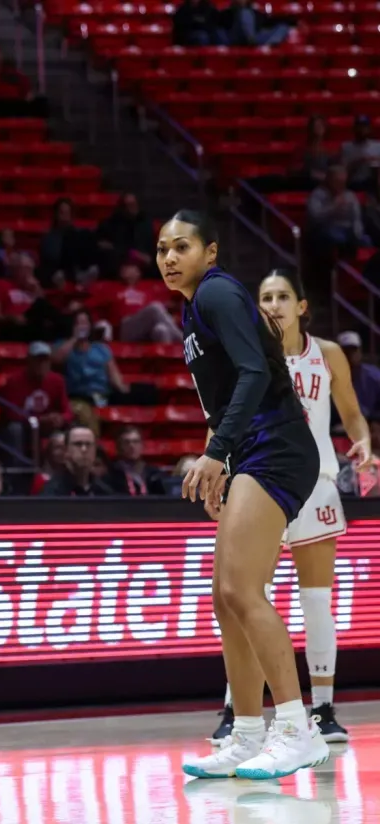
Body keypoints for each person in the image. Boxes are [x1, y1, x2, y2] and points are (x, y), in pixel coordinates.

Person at [162, 211, 330, 780]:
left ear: (210, 252)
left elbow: (256, 373)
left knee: (242, 589)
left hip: (277, 446)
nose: (169, 258)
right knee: (223, 597)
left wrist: (217, 453)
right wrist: (222, 463)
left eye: (181, 246)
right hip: (250, 452)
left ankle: (299, 730)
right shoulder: (194, 307)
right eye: (161, 249)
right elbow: (226, 394)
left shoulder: (217, 293)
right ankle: (248, 734)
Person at [203, 269, 371, 744]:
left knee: (316, 601)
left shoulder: (328, 354)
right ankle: (238, 709)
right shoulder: (245, 351)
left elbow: (352, 414)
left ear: (301, 306)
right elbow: (222, 419)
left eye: (281, 296)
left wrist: (362, 443)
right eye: (265, 298)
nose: (273, 305)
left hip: (316, 484)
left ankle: (323, 709)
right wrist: (216, 467)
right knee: (246, 596)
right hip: (260, 482)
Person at [39, 424, 113, 496]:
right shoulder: (52, 493)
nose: (84, 449)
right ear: (66, 450)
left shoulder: (105, 493)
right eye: (78, 444)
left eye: (88, 444)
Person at [106, 425, 167, 495]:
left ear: (142, 445)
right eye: (126, 442)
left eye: (136, 442)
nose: (131, 446)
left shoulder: (154, 474)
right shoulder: (110, 474)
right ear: (118, 446)